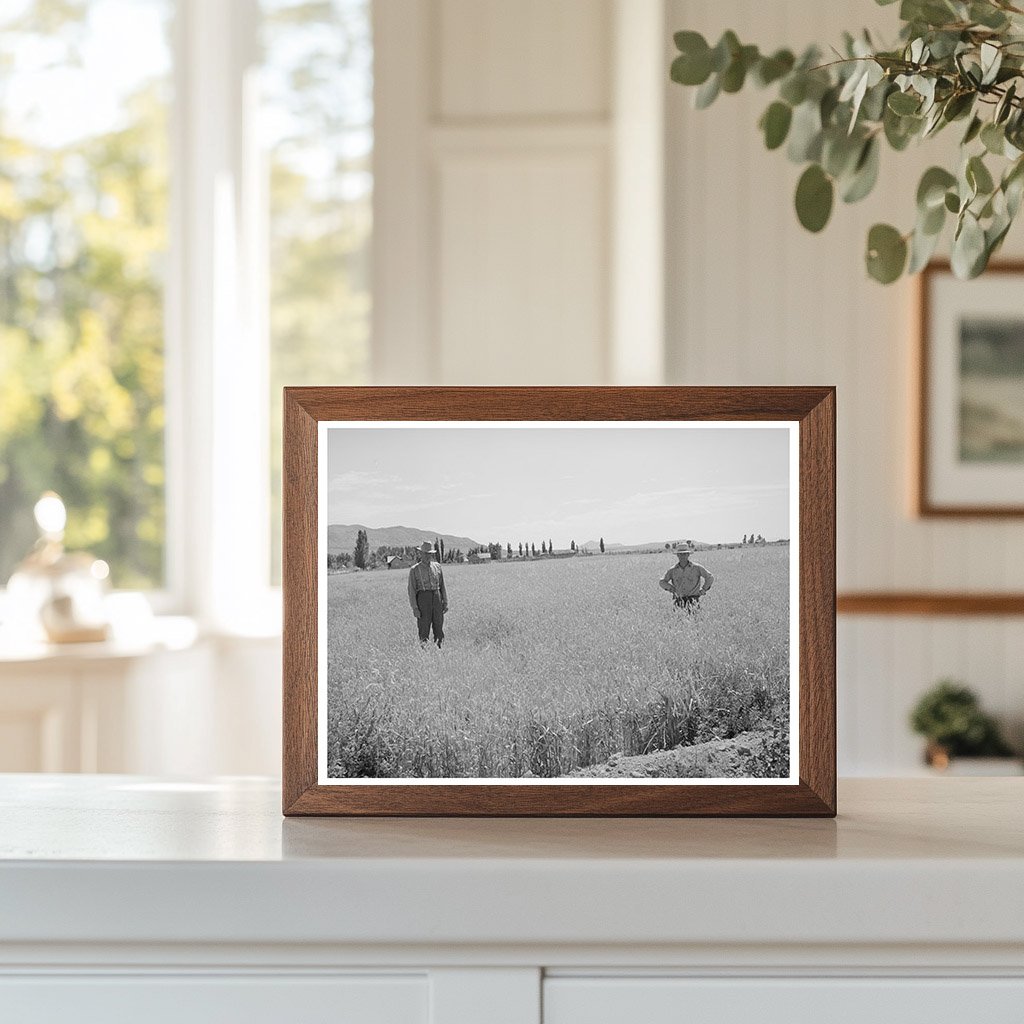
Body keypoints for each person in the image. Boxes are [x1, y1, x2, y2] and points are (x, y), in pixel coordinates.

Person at [408, 541, 448, 647]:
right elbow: (411, 590)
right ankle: (424, 652)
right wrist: (415, 608)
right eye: (425, 553)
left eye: (429, 553)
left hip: (437, 597)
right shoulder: (414, 570)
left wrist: (445, 601)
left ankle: (440, 649)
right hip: (423, 599)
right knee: (424, 627)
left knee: (438, 625)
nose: (427, 556)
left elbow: (442, 585)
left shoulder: (437, 567)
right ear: (420, 554)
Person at [659, 545, 714, 613]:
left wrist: (703, 590)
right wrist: (671, 589)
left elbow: (710, 577)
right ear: (677, 555)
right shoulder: (673, 570)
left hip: (694, 601)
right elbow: (662, 582)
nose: (682, 556)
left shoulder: (697, 568)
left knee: (695, 621)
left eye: (685, 554)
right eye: (680, 554)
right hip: (679, 602)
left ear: (688, 555)